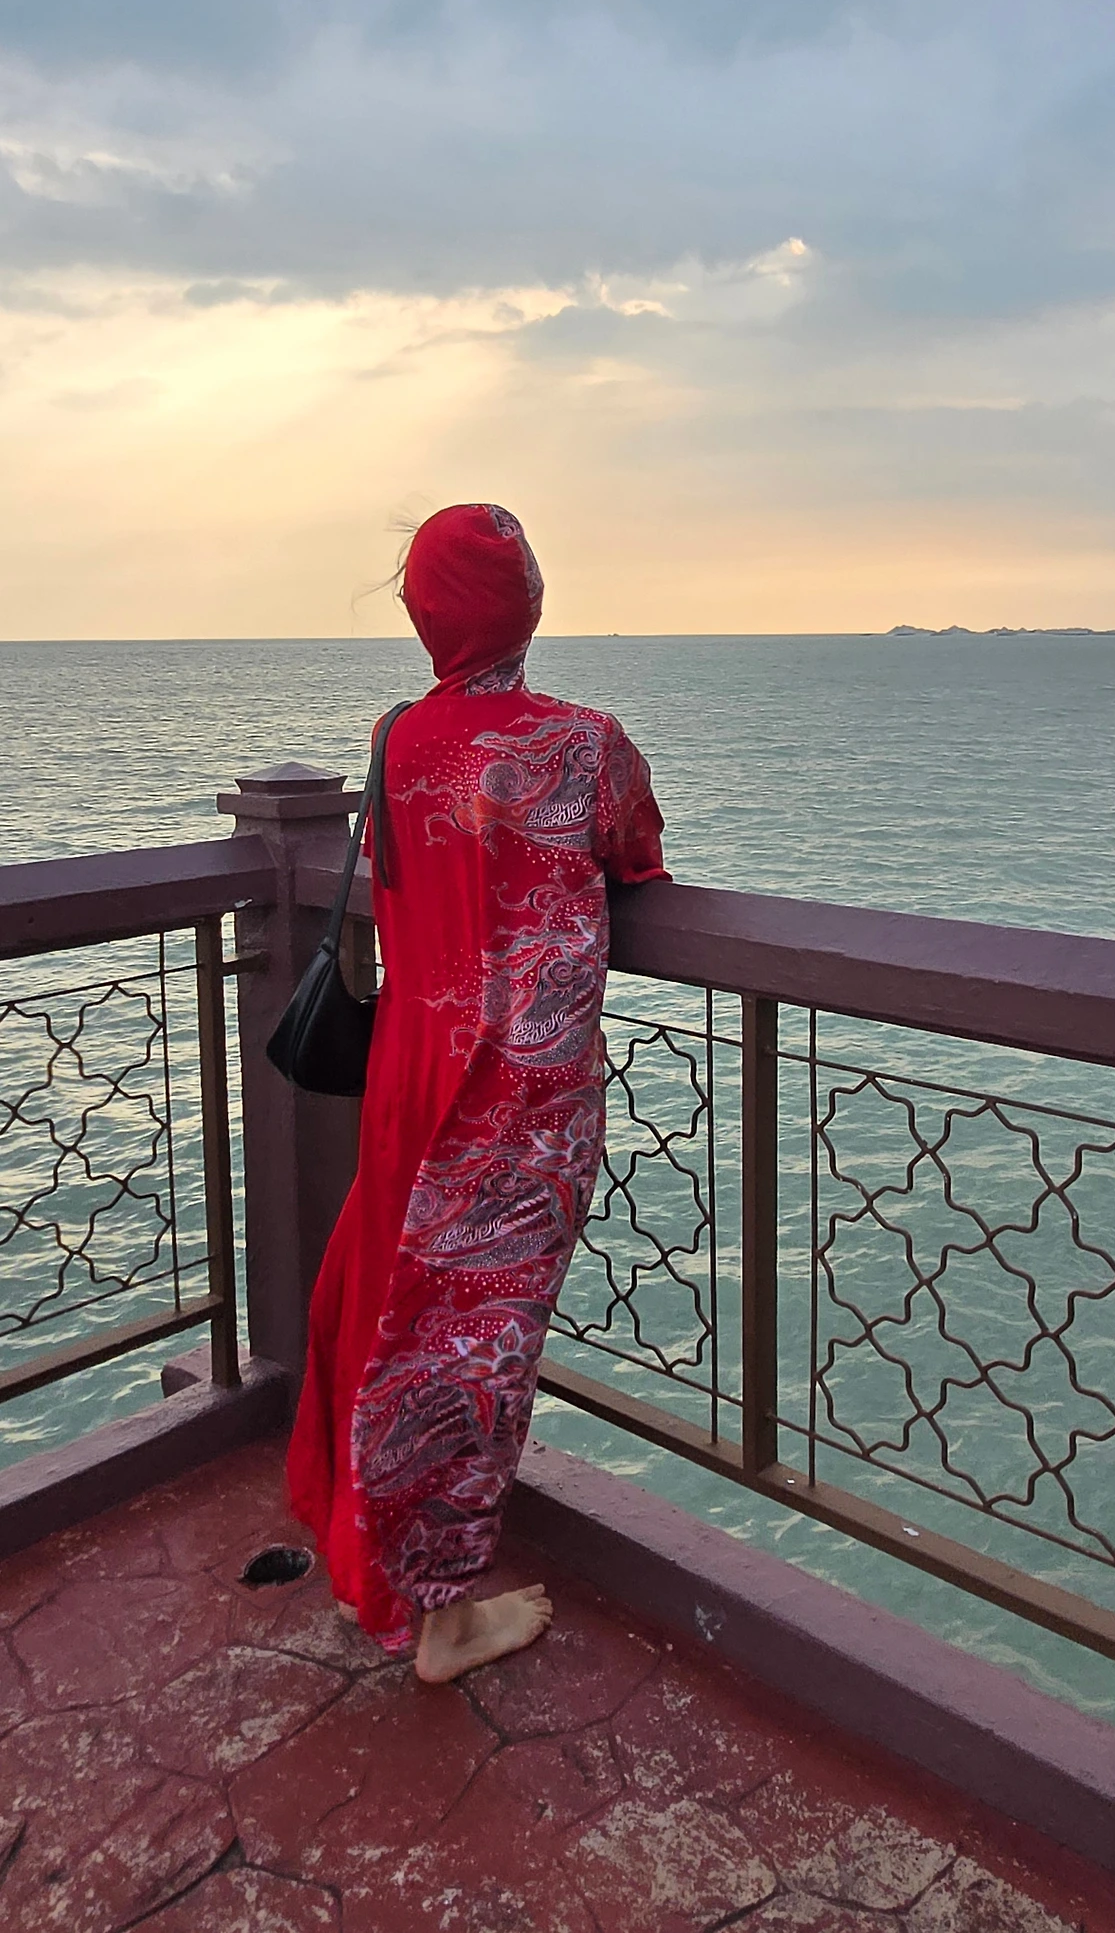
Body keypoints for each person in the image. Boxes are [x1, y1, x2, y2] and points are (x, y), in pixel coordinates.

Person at [286, 503, 668, 1682]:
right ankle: (441, 1612)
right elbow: (636, 854)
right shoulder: (584, 741)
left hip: (413, 1068)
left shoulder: (394, 736)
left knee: (396, 1305)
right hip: (522, 1099)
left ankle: (371, 1550)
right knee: (479, 1343)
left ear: (423, 613)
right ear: (526, 604)